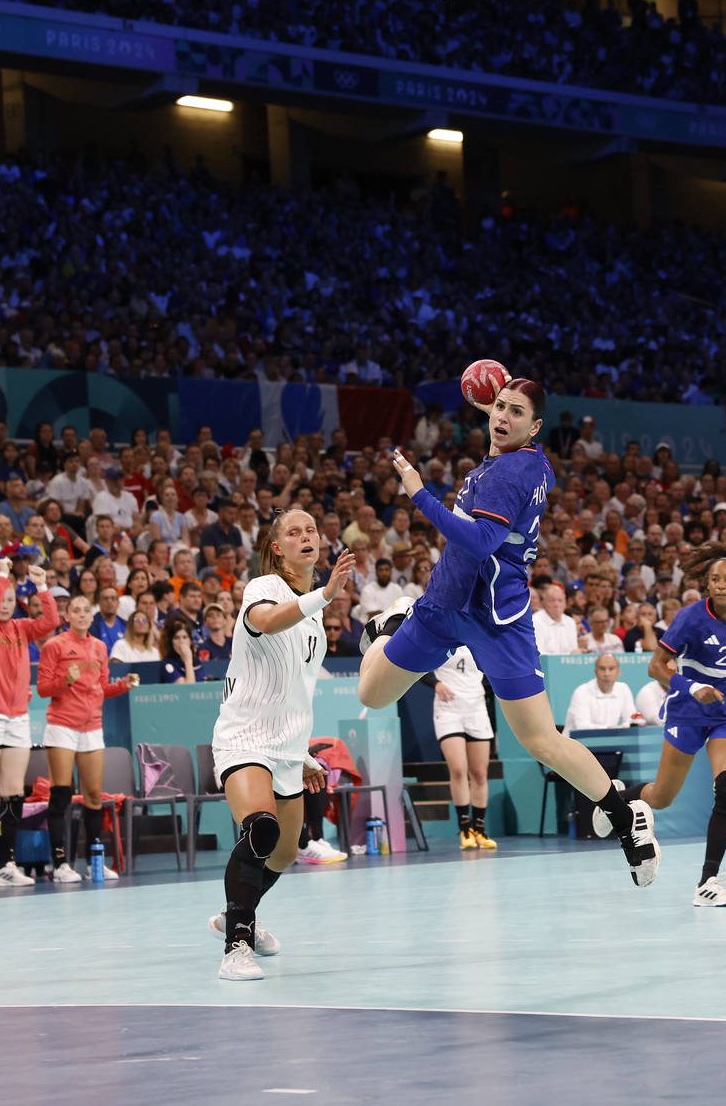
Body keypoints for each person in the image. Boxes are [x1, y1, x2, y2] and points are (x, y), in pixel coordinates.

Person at [357, 378, 662, 888]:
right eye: (498, 408)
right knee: (372, 691)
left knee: (540, 738)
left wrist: (419, 494)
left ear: (535, 427)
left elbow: (479, 540)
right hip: (444, 602)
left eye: (515, 412)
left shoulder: (514, 470)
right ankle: (397, 619)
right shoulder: (521, 458)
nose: (501, 417)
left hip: (497, 617)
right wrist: (500, 411)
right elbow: (503, 435)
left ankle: (625, 812)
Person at [210, 509, 354, 980]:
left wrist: (304, 753)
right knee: (262, 829)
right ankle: (237, 944)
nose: (306, 537)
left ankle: (236, 911)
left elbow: (294, 692)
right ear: (278, 547)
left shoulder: (315, 624)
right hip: (244, 738)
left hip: (287, 749)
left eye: (312, 529)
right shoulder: (263, 589)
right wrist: (324, 594)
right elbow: (268, 623)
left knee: (286, 852)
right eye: (294, 532)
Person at [623, 544, 726, 907]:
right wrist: (694, 687)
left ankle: (707, 882)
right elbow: (656, 666)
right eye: (714, 580)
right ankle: (619, 799)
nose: (720, 585)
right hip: (689, 711)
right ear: (707, 585)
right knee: (661, 798)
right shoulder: (691, 618)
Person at [0, 564, 61, 888]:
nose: (5, 604)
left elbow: (51, 621)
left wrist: (42, 586)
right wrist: (3, 576)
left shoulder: (21, 628)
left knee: (13, 792)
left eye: (10, 599)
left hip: (18, 716)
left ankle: (6, 863)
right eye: (0, 598)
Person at [38, 594, 141, 882]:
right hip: (61, 726)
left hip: (92, 727)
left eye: (86, 611)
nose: (82, 615)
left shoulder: (99, 646)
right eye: (76, 611)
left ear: (91, 617)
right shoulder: (54, 646)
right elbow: (44, 689)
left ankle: (94, 862)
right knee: (61, 793)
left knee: (94, 796)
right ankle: (60, 865)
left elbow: (101, 688)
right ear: (67, 615)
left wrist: (122, 686)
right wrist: (65, 681)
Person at [431, 639, 497, 849]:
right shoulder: (442, 638)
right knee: (458, 769)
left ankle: (480, 829)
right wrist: (436, 683)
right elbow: (416, 666)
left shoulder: (480, 639)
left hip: (476, 707)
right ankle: (465, 828)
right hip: (448, 708)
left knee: (479, 773)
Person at [564, 653, 641, 732]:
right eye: (602, 669)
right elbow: (582, 726)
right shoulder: (582, 692)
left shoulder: (623, 689)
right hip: (574, 742)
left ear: (618, 672)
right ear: (595, 672)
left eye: (611, 669)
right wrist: (612, 729)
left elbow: (632, 720)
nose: (607, 674)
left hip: (607, 740)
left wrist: (623, 726)